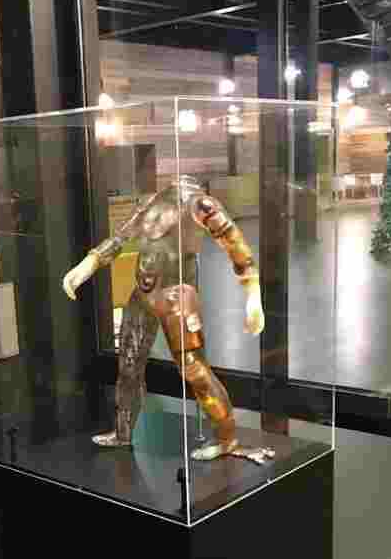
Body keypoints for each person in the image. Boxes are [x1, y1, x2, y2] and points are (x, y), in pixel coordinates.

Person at [62, 176, 275, 464]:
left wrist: (253, 295)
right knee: (129, 366)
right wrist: (87, 265)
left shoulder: (200, 204)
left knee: (194, 368)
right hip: (143, 295)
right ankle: (123, 432)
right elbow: (121, 237)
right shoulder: (154, 201)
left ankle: (227, 438)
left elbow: (235, 245)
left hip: (177, 298)